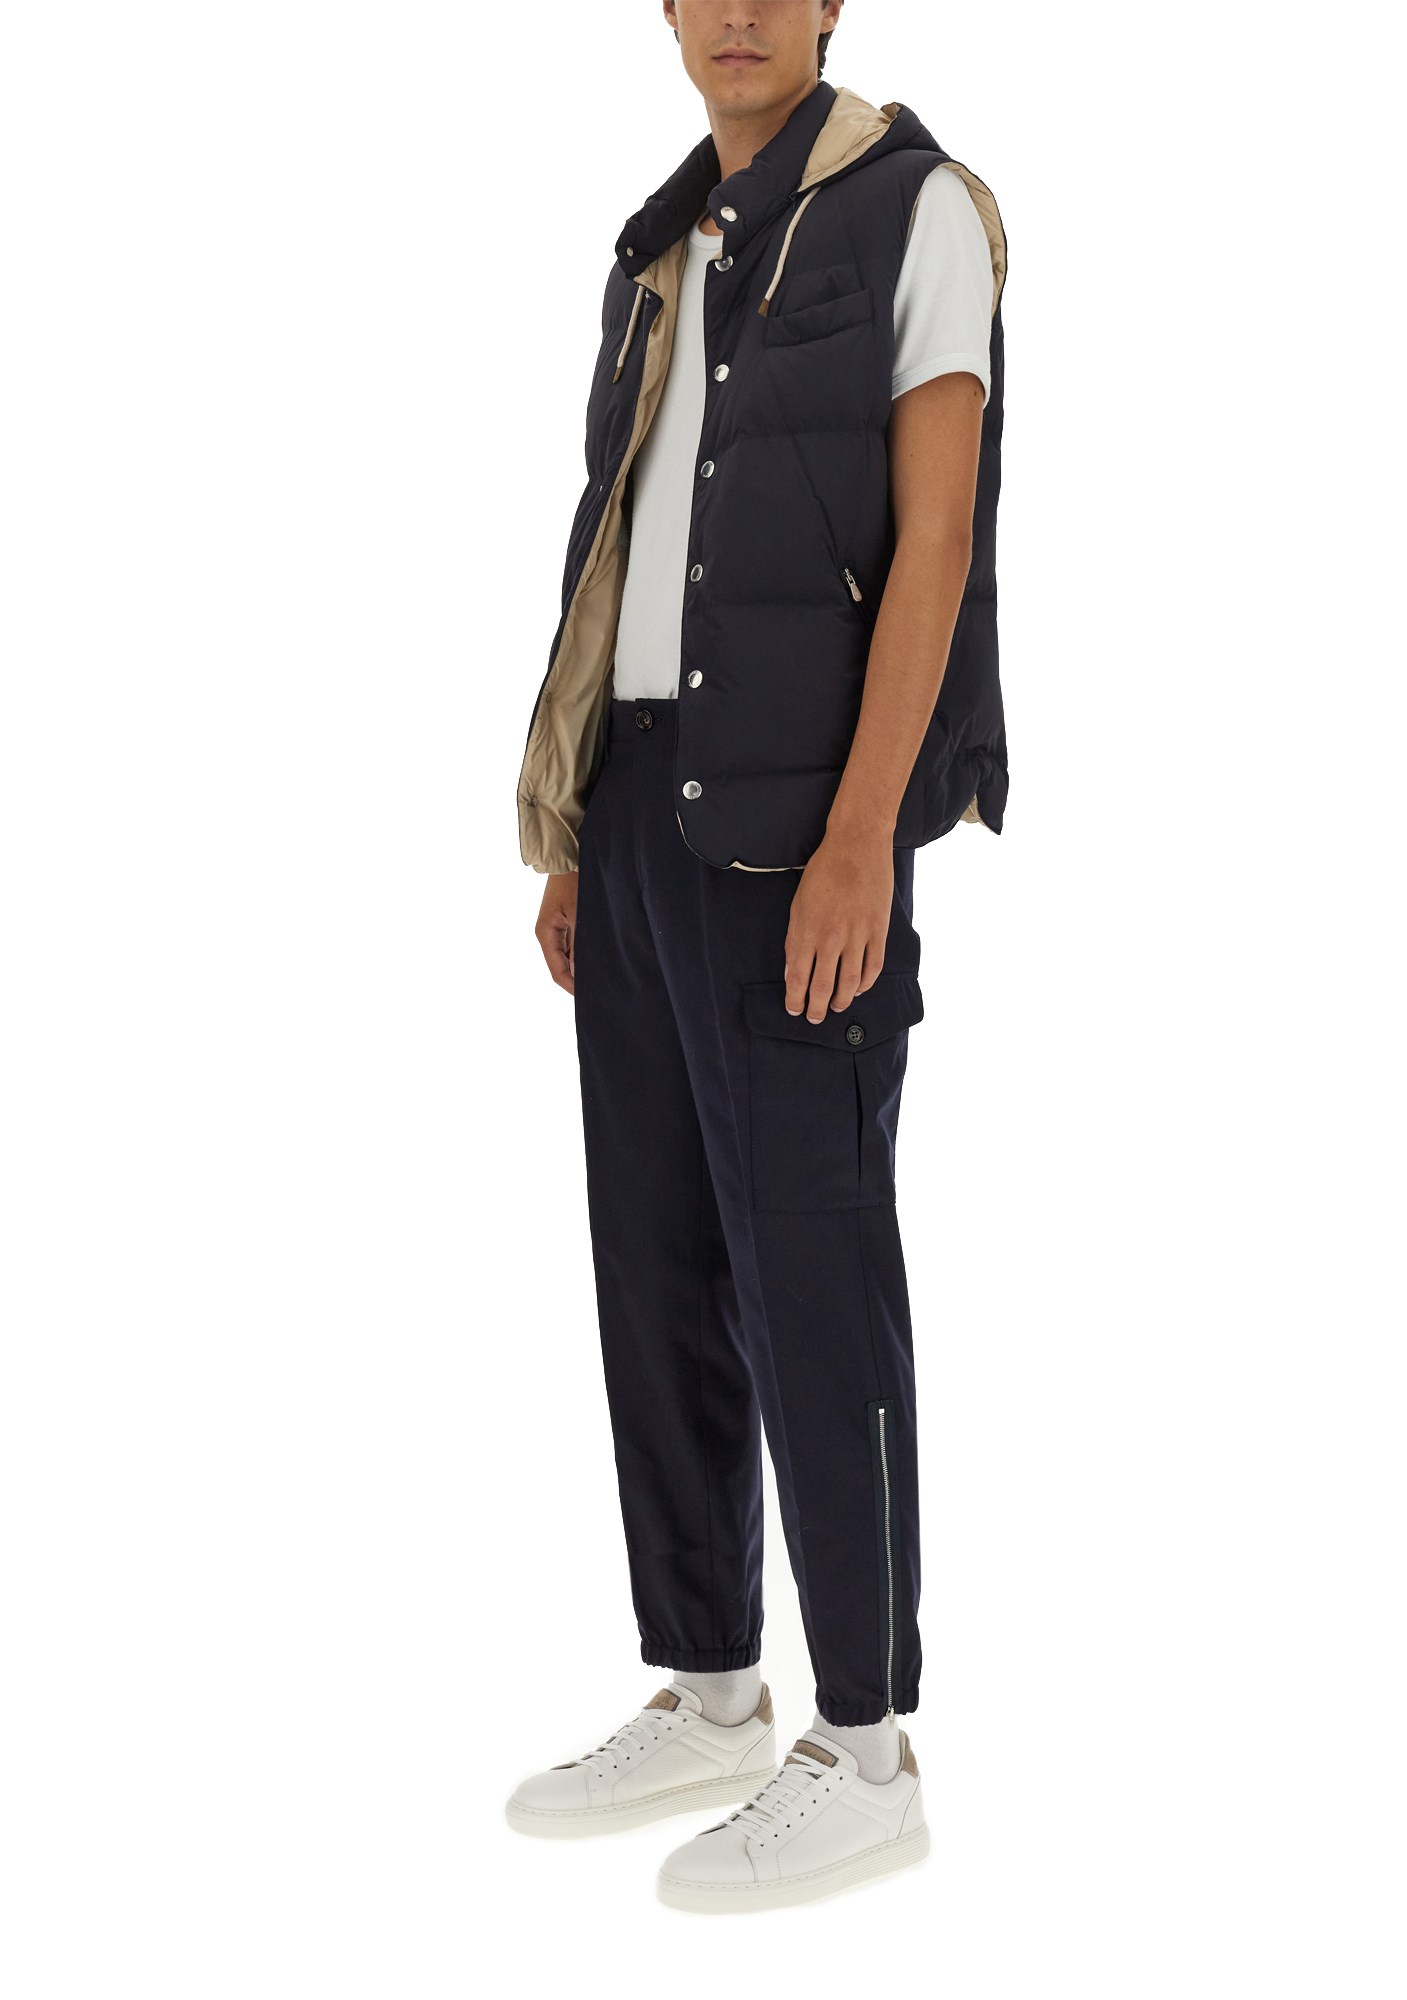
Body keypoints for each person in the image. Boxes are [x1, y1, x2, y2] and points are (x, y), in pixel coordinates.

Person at [508, 1, 1007, 1913]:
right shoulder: (662, 243)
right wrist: (578, 821)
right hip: (642, 813)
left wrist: (865, 831)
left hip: (802, 831)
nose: (735, 12)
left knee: (816, 1273)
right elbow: (616, 542)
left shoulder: (915, 210)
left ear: (828, 3)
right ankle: (713, 1689)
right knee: (656, 1266)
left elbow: (937, 539)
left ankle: (866, 1749)